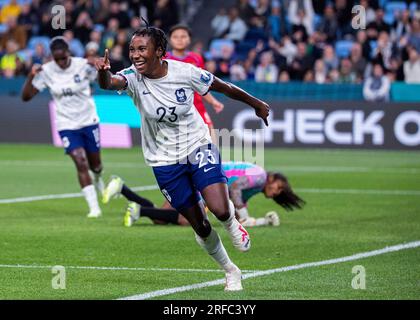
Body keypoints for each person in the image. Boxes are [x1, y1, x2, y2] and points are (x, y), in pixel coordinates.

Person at [94, 24, 270, 291]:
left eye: (142, 49)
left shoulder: (184, 72)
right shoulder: (132, 77)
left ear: (159, 51)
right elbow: (110, 83)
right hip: (163, 159)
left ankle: (232, 223)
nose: (136, 55)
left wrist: (256, 103)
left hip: (197, 144)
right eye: (132, 49)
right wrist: (103, 74)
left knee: (221, 209)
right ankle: (230, 270)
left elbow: (223, 87)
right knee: (199, 225)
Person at [21, 37, 105, 218]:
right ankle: (94, 208)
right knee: (80, 162)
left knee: (95, 164)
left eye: (63, 58)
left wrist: (100, 66)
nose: (60, 62)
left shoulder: (82, 65)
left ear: (68, 53)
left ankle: (98, 177)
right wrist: (30, 76)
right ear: (52, 57)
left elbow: (102, 81)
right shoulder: (47, 71)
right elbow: (26, 97)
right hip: (66, 123)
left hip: (88, 119)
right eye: (56, 59)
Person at [102, 161, 305, 228]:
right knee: (186, 220)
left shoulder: (256, 183)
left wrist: (259, 221)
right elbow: (235, 189)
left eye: (280, 192)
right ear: (272, 178)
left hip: (204, 178)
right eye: (279, 186)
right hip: (206, 180)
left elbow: (237, 207)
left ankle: (123, 190)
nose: (277, 191)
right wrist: (243, 215)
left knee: (161, 218)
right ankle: (138, 210)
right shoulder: (260, 175)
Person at [166, 24, 224, 144]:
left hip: (196, 105)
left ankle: (213, 161)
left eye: (183, 36)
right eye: (176, 37)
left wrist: (213, 101)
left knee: (210, 135)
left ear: (189, 39)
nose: (180, 39)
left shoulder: (196, 59)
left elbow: (201, 86)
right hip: (173, 107)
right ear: (170, 40)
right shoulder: (164, 59)